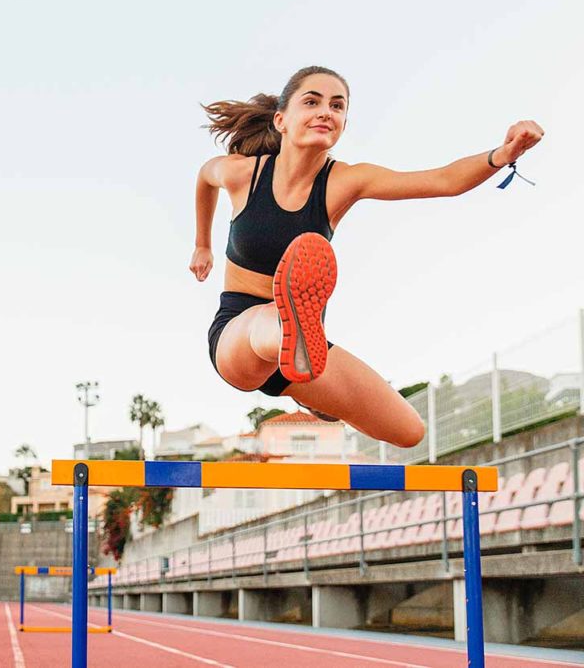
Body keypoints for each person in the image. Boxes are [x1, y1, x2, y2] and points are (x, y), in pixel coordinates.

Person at [190, 66, 543, 448]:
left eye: (337, 106)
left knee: (410, 432)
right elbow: (204, 179)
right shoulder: (244, 174)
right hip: (238, 336)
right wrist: (202, 244)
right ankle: (290, 332)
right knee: (267, 324)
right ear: (281, 120)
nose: (327, 111)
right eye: (312, 101)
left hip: (302, 356)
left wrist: (503, 153)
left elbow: (442, 181)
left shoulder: (344, 181)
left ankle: (304, 369)